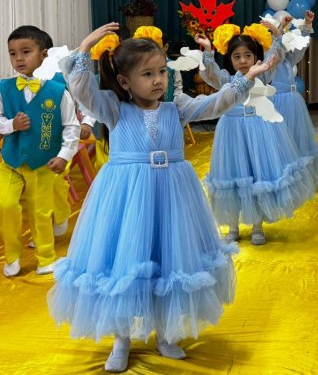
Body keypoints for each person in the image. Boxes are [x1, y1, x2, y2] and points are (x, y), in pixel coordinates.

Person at [47, 23, 270, 372]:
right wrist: (84, 49)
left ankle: (166, 333)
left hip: (172, 196)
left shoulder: (175, 107)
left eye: (162, 72)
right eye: (147, 74)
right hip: (127, 197)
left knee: (170, 260)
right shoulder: (113, 108)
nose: (158, 81)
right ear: (124, 82)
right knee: (126, 263)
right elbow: (83, 91)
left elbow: (214, 104)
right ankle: (122, 338)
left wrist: (244, 81)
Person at [198, 22, 317, 245]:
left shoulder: (263, 75)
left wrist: (277, 36)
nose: (243, 61)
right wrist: (207, 52)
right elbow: (210, 75)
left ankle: (257, 226)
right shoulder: (227, 80)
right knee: (232, 175)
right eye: (237, 57)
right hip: (232, 132)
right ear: (230, 60)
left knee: (258, 174)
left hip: (258, 130)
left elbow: (275, 57)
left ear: (255, 57)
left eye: (247, 55)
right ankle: (232, 227)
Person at [0, 25, 80, 277]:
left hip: (43, 162)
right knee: (6, 205)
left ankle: (45, 257)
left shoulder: (58, 91)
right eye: (12, 53)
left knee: (40, 211)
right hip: (10, 161)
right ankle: (12, 256)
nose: (18, 59)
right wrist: (11, 125)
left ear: (44, 54)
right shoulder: (4, 88)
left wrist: (64, 155)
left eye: (26, 52)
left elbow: (71, 126)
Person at [271, 11, 318, 187]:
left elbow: (300, 47)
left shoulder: (288, 59)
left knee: (297, 138)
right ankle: (282, 174)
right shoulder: (269, 59)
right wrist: (280, 28)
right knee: (281, 139)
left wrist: (307, 26)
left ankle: (300, 177)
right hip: (277, 101)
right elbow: (275, 49)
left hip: (293, 102)